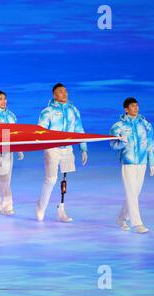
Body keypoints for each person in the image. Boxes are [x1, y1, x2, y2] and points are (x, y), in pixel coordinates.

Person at [35, 83, 88, 222]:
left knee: (64, 180)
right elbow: (40, 131)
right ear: (54, 95)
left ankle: (61, 210)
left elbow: (79, 129)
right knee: (51, 179)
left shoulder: (73, 110)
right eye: (60, 92)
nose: (64, 93)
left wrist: (83, 148)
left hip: (67, 149)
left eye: (65, 91)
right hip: (52, 148)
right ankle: (41, 207)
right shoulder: (47, 111)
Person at [109, 97, 154, 234]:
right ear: (126, 109)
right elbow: (113, 145)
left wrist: (152, 162)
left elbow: (151, 145)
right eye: (133, 106)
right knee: (131, 193)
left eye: (137, 106)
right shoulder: (118, 126)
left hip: (142, 162)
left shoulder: (146, 125)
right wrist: (122, 142)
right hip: (128, 162)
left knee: (134, 193)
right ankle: (137, 223)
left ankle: (121, 219)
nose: (136, 108)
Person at [0, 90, 24, 215]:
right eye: (1, 99)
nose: (4, 101)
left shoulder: (11, 115)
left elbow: (16, 133)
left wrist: (19, 148)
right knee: (3, 178)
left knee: (6, 178)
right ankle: (8, 206)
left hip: (9, 150)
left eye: (5, 98)